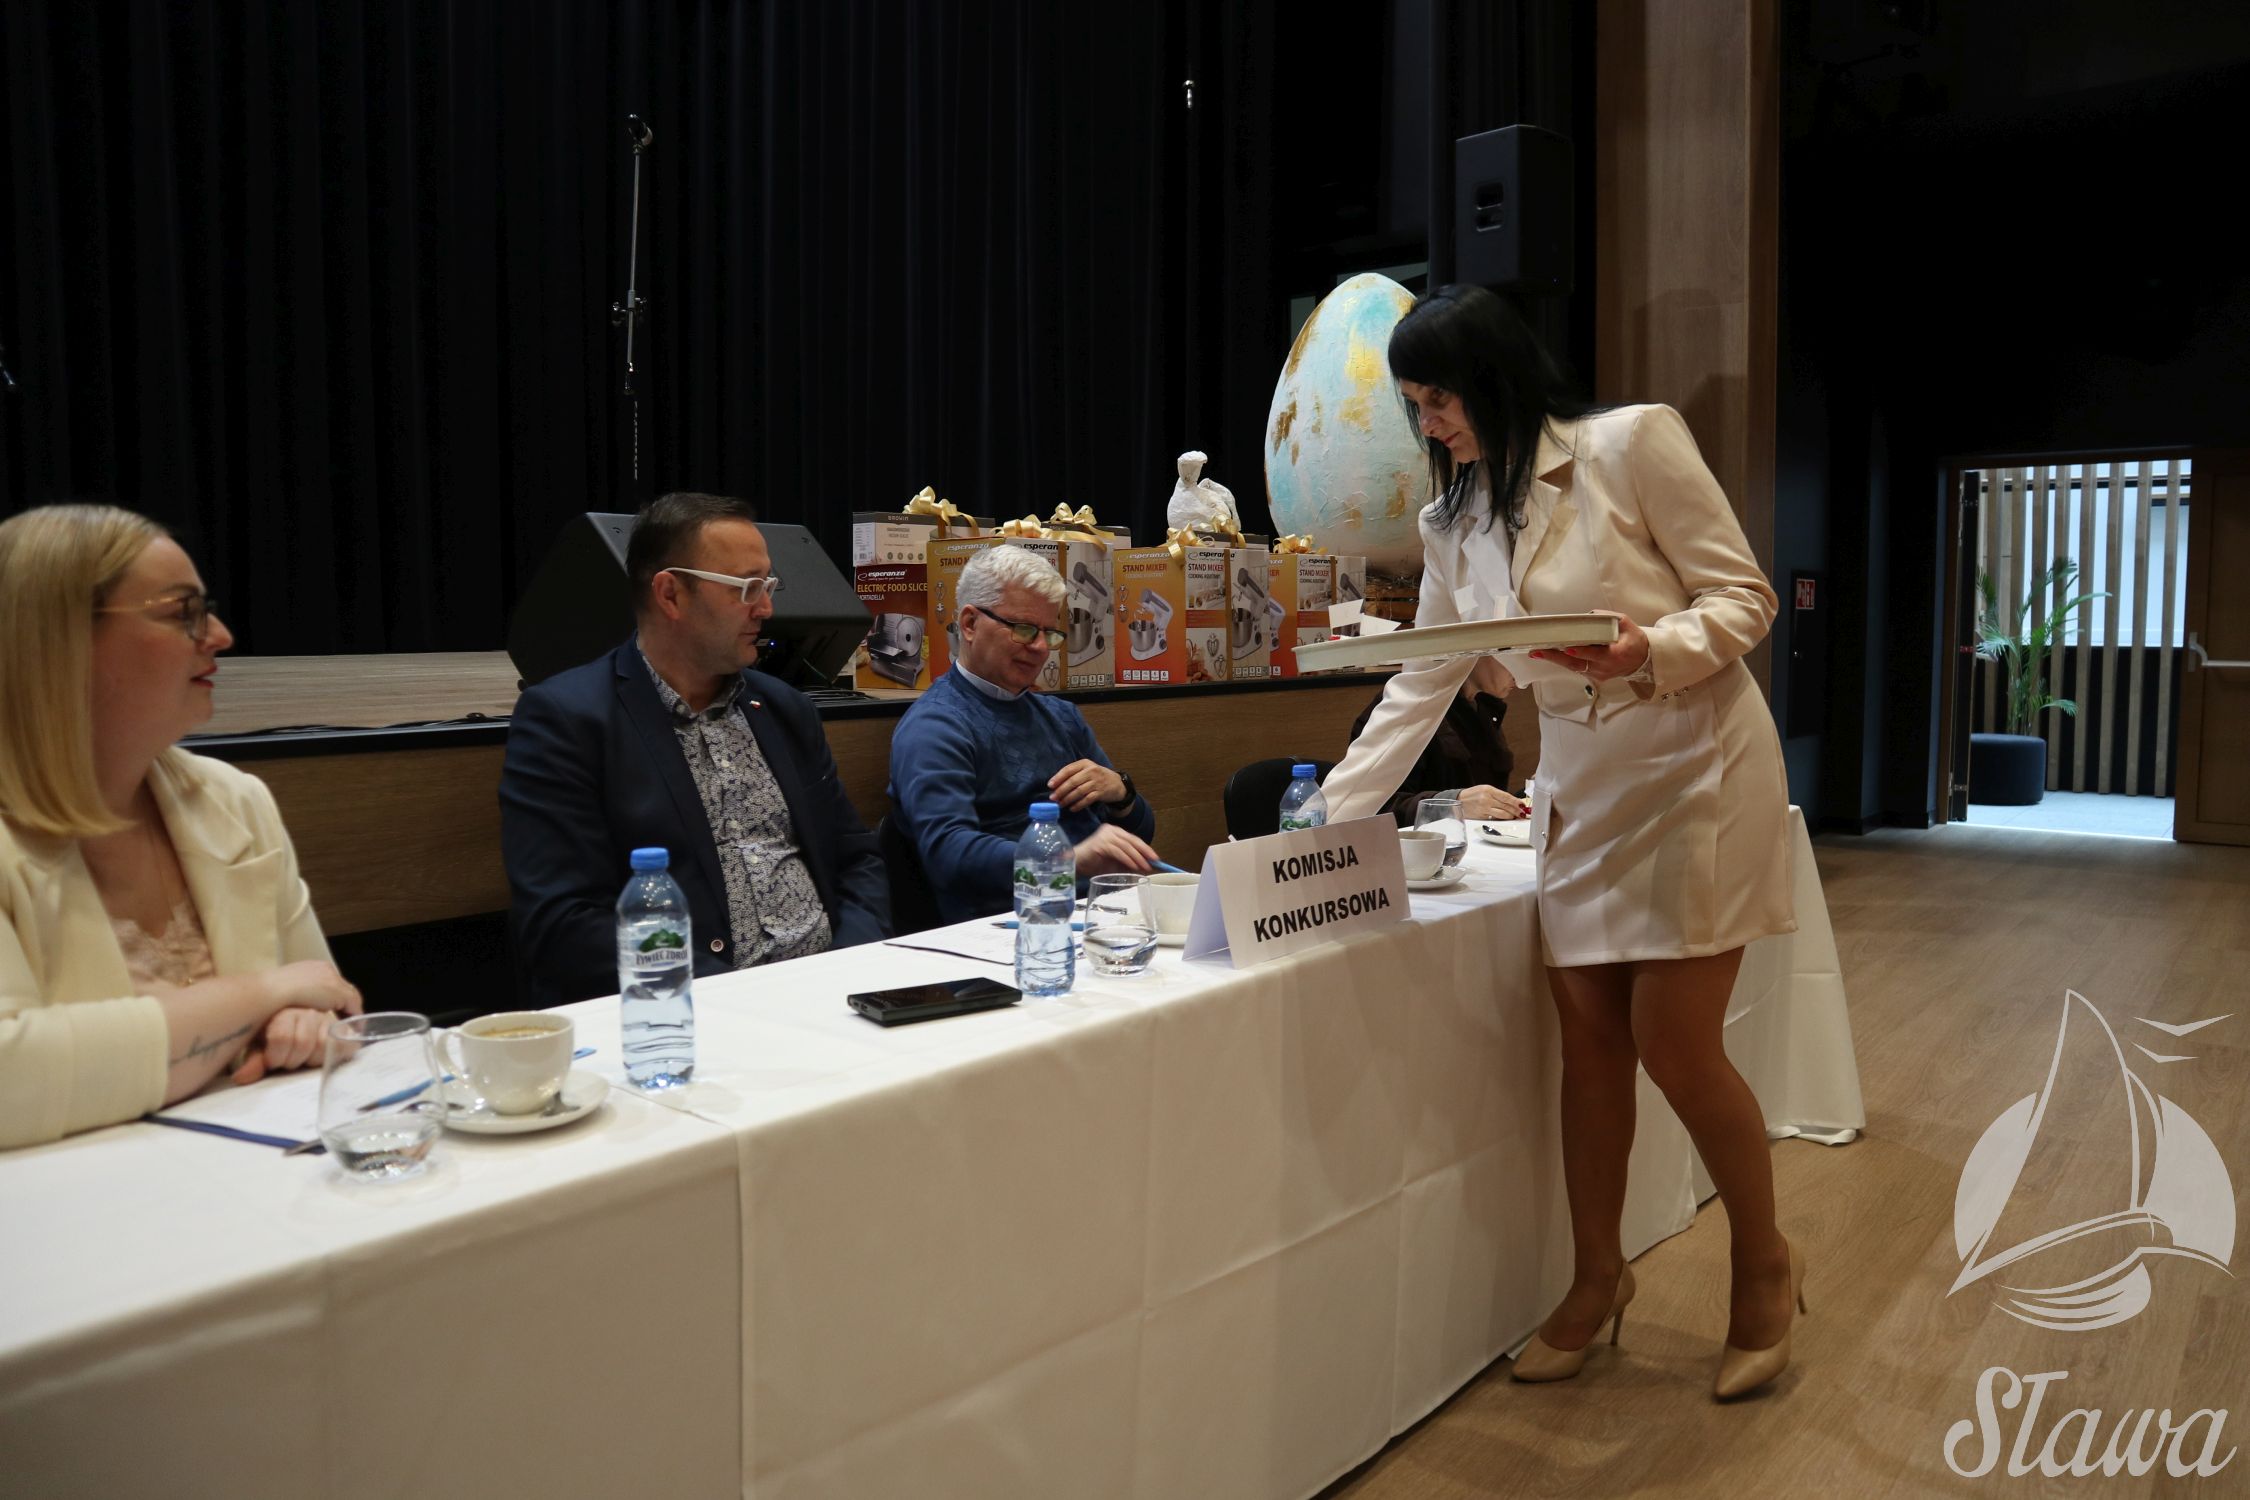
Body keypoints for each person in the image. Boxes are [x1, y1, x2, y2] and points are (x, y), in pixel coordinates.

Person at [1321, 285, 1802, 1399]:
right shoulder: (1450, 522)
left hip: (1695, 764)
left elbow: (1743, 598)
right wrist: (1324, 822)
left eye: (1439, 399)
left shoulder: (1629, 445)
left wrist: (1649, 649)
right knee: (1588, 1046)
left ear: (1493, 378)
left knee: (1676, 1043)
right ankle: (1596, 1279)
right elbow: (1424, 680)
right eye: (1415, 405)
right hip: (1580, 786)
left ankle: (1765, 1264)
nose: (1429, 424)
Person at [0, 504, 363, 1150]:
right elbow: (12, 1079)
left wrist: (305, 1021)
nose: (220, 635)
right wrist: (261, 994)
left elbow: (332, 1005)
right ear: (59, 639)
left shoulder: (234, 800)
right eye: (182, 613)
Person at [500, 492, 889, 1007]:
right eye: (747, 588)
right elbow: (562, 921)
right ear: (671, 594)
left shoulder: (784, 709)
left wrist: (852, 962)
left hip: (837, 992)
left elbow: (856, 859)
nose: (767, 608)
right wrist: (737, 996)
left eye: (768, 585)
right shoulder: (568, 720)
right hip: (696, 1009)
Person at [889, 544, 1158, 925]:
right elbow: (949, 854)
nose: (1040, 648)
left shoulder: (1061, 717)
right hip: (1006, 927)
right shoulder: (936, 727)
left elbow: (1140, 835)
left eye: (1050, 633)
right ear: (970, 624)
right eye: (1024, 630)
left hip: (1099, 912)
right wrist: (1069, 860)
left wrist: (1122, 792)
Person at [1347, 653, 1524, 826]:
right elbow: (1369, 808)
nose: (1525, 673)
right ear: (1477, 652)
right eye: (1517, 652)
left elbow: (1484, 798)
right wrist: (1452, 803)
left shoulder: (1484, 707)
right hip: (1417, 843)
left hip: (1474, 839)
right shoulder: (1403, 709)